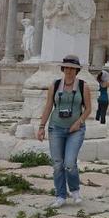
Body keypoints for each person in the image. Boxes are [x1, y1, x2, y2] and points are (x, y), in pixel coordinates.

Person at [36, 55, 92, 208]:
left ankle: (74, 190)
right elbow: (48, 106)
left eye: (72, 68)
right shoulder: (55, 85)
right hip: (56, 127)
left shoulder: (83, 86)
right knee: (57, 163)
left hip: (76, 129)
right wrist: (41, 126)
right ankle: (60, 195)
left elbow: (88, 109)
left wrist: (78, 122)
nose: (69, 71)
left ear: (76, 70)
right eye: (66, 67)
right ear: (63, 68)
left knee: (69, 163)